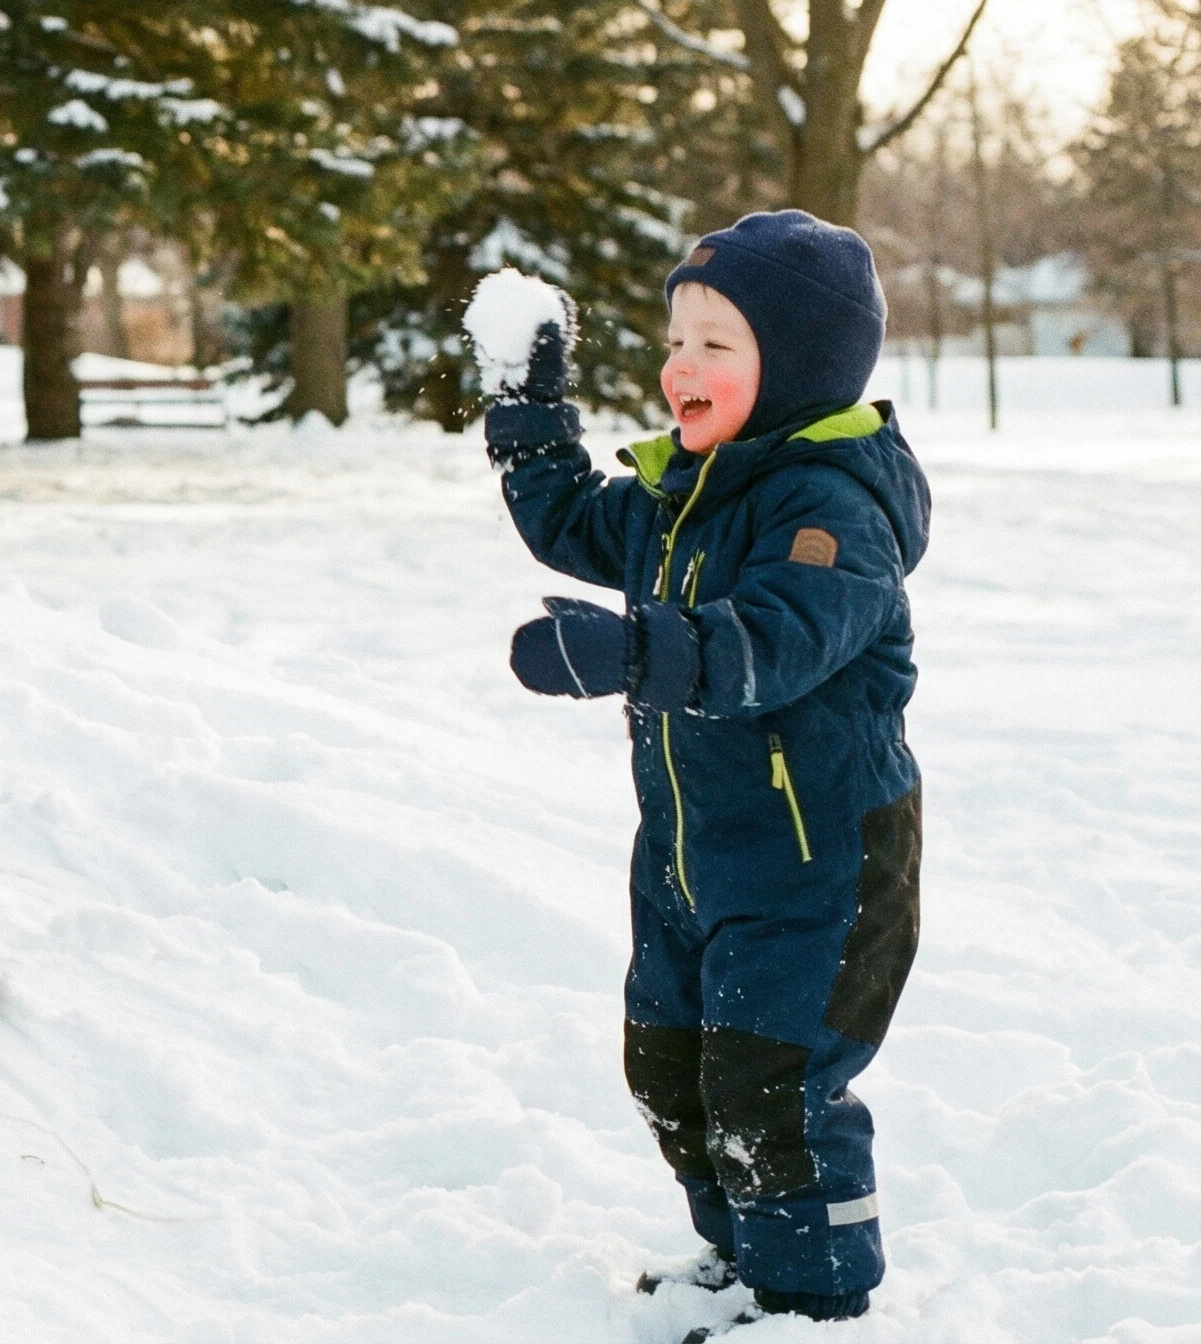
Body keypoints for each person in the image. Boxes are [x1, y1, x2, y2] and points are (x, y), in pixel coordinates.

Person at [482, 210, 929, 1330]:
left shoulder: (832, 508)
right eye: (677, 338)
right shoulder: (687, 489)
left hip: (818, 862)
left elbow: (768, 643)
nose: (682, 364)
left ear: (798, 370)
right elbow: (574, 521)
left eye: (717, 343)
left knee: (771, 1087)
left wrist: (627, 652)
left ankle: (810, 1303)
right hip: (693, 849)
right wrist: (527, 411)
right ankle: (743, 1263)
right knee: (673, 1069)